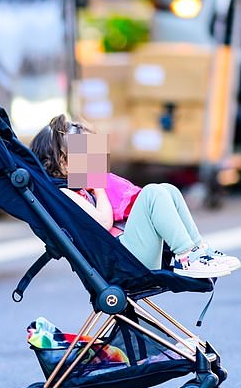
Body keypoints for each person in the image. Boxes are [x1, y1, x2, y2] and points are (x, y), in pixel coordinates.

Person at [30, 114, 241, 279]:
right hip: (121, 263)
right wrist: (99, 187)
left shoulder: (82, 189)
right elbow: (102, 223)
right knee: (152, 193)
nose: (95, 161)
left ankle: (197, 250)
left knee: (168, 189)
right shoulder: (65, 194)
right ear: (64, 163)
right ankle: (186, 256)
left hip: (127, 253)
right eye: (86, 155)